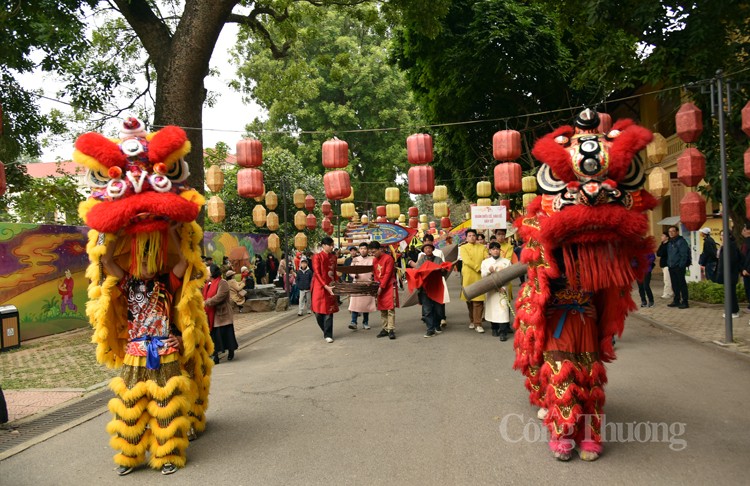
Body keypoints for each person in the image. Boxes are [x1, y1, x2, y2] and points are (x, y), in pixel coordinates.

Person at [100, 224, 190, 476]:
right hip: (134, 353)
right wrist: (115, 232)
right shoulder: (128, 282)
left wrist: (172, 230)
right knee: (130, 405)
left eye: (152, 258)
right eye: (142, 258)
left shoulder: (167, 280)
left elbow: (185, 259)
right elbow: (105, 259)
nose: (147, 264)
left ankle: (168, 454)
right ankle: (129, 456)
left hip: (164, 351)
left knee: (165, 404)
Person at [203, 264, 239, 364]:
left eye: (207, 271)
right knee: (214, 335)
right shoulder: (207, 284)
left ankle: (230, 351)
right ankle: (215, 355)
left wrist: (206, 303)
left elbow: (219, 297)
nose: (206, 274)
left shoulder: (222, 283)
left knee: (225, 334)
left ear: (212, 273)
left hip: (222, 313)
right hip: (211, 313)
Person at [481, 241, 512, 340]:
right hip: (491, 291)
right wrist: (488, 271)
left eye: (497, 249)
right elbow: (483, 276)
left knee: (503, 310)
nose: (495, 251)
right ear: (490, 251)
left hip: (502, 290)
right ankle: (494, 328)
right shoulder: (485, 262)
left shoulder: (506, 262)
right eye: (493, 249)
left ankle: (503, 332)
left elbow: (509, 277)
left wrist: (504, 287)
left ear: (500, 250)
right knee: (492, 309)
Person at [414, 242, 446, 337]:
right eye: (426, 248)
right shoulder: (421, 260)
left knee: (438, 310)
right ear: (423, 250)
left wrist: (443, 270)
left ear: (432, 249)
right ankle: (430, 329)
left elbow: (443, 273)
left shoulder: (438, 259)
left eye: (429, 248)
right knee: (427, 310)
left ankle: (437, 325)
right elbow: (417, 272)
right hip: (425, 289)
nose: (428, 249)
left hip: (436, 287)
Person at [460, 228, 488, 332]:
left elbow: (486, 258)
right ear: (466, 238)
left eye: (473, 235)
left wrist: (486, 266)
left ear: (476, 237)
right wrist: (478, 267)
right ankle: (472, 320)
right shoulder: (463, 248)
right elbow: (466, 260)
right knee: (470, 300)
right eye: (469, 236)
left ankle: (478, 323)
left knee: (479, 301)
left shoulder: (483, 247)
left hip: (480, 276)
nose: (472, 237)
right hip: (468, 276)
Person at [311, 237, 338, 343]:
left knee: (328, 311)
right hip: (319, 286)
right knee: (317, 312)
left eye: (332, 245)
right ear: (323, 245)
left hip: (331, 286)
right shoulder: (317, 257)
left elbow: (335, 272)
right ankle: (325, 330)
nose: (332, 247)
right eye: (330, 245)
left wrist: (336, 283)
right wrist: (324, 285)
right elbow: (317, 272)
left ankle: (328, 334)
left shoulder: (334, 257)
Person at [370, 241, 398, 340]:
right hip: (380, 286)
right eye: (371, 252)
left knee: (390, 308)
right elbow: (375, 274)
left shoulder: (388, 258)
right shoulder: (374, 260)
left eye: (374, 252)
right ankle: (385, 328)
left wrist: (381, 287)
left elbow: (388, 274)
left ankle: (391, 329)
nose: (373, 254)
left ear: (380, 249)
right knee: (382, 308)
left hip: (389, 286)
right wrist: (377, 286)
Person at [349, 242, 376, 330]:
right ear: (359, 250)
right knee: (354, 303)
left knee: (366, 304)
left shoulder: (372, 259)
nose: (363, 250)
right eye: (361, 248)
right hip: (356, 284)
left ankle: (365, 322)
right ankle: (353, 322)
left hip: (367, 284)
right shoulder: (355, 259)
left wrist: (372, 278)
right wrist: (354, 275)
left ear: (367, 250)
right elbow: (350, 271)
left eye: (365, 248)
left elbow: (375, 271)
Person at [715, 229, 741, 318]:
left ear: (729, 236)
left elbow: (732, 260)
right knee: (728, 292)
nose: (722, 237)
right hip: (726, 273)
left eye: (724, 235)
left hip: (730, 273)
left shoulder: (731, 245)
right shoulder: (724, 245)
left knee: (731, 293)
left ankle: (734, 311)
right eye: (721, 235)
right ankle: (730, 310)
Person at [667, 225, 690, 309]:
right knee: (674, 285)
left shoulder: (681, 241)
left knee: (681, 284)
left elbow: (684, 255)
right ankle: (676, 300)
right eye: (669, 231)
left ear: (677, 232)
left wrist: (681, 265)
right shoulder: (670, 242)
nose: (671, 233)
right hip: (671, 266)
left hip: (678, 267)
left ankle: (685, 302)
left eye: (673, 231)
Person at [656, 231, 674, 300]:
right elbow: (658, 253)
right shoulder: (662, 244)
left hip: (667, 264)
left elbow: (664, 253)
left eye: (663, 236)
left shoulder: (668, 244)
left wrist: (661, 252)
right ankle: (670, 292)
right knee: (666, 279)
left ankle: (667, 293)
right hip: (663, 264)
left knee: (667, 280)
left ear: (667, 237)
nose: (661, 237)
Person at [741, 225, 750, 313]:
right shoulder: (745, 242)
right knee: (747, 288)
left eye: (744, 229)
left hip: (747, 271)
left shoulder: (748, 242)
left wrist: (747, 269)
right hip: (744, 270)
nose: (742, 231)